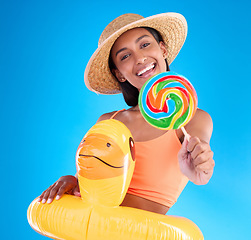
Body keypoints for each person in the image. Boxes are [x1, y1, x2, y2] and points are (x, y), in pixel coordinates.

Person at [38, 13, 215, 215]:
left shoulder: (192, 119)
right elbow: (93, 187)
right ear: (119, 73)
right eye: (125, 56)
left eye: (145, 45)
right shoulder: (107, 122)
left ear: (163, 49)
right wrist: (73, 181)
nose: (140, 58)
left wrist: (202, 167)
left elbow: (202, 165)